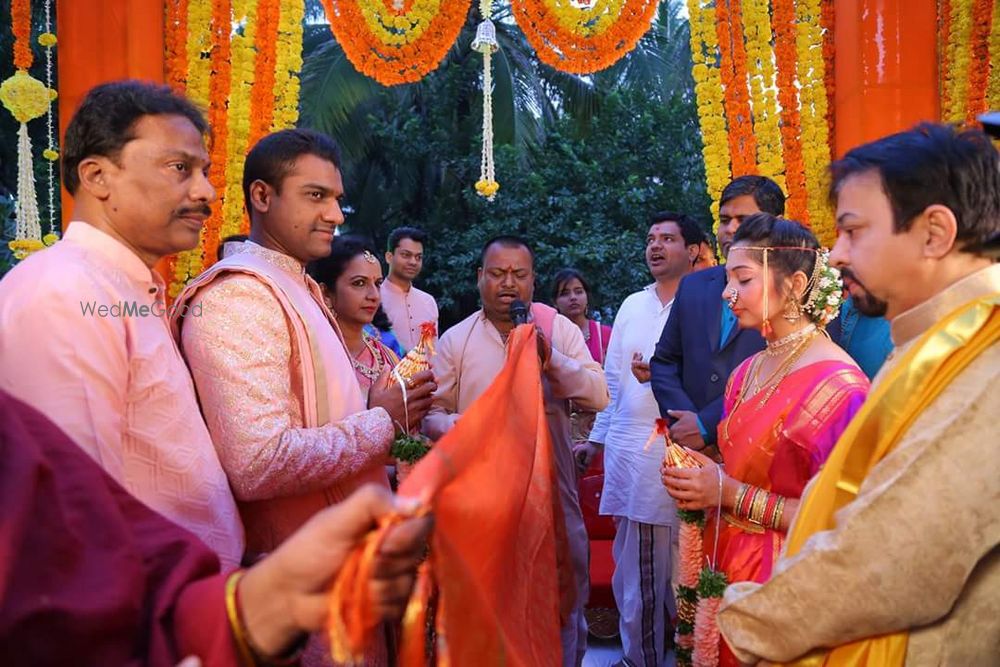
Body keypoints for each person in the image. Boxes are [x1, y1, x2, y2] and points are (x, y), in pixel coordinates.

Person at [716, 123, 1000, 666]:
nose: (838, 256)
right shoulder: (932, 342)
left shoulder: (985, 355)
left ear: (934, 233)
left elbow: (889, 558)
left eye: (853, 231)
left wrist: (741, 623)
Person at [0, 389, 430, 666]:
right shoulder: (58, 295)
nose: (370, 293)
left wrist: (268, 602)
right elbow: (258, 461)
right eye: (359, 282)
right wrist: (379, 422)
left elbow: (115, 592)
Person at [0, 80, 244, 568]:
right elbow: (74, 520)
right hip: (143, 624)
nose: (206, 192)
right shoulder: (67, 293)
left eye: (204, 172)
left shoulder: (124, 290)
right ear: (96, 176)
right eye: (180, 168)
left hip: (189, 609)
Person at [171, 130, 435, 554]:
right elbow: (258, 463)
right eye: (315, 196)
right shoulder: (240, 295)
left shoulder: (292, 284)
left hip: (338, 552)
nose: (335, 214)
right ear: (261, 195)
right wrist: (382, 419)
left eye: (335, 198)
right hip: (294, 570)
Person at [661, 213, 869, 667]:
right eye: (728, 278)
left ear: (794, 285)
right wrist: (704, 477)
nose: (726, 293)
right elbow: (734, 468)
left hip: (786, 582)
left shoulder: (841, 388)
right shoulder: (747, 372)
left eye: (743, 279)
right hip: (728, 568)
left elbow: (847, 522)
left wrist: (731, 494)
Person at [424, 236, 609, 667]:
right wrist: (468, 426)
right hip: (481, 499)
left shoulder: (557, 328)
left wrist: (552, 358)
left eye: (519, 275)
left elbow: (598, 394)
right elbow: (432, 413)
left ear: (532, 281)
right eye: (497, 273)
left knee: (561, 599)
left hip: (553, 492)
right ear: (480, 278)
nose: (508, 284)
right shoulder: (456, 340)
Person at [577, 212, 702, 667]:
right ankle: (643, 656)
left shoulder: (708, 303)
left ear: (692, 250)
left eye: (668, 239)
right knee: (634, 569)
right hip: (630, 453)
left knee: (676, 568)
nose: (655, 246)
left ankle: (673, 657)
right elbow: (611, 379)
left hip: (683, 454)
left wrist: (665, 376)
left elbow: (716, 383)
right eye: (651, 239)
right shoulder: (631, 304)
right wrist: (597, 440)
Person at [650, 175, 785, 457]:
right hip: (693, 456)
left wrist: (706, 425)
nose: (730, 229)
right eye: (725, 220)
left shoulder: (794, 290)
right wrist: (686, 422)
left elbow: (786, 372)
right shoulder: (694, 284)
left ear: (777, 223)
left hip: (762, 453)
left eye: (743, 219)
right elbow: (664, 362)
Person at [308, 235, 402, 399]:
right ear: (325, 293)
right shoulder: (310, 357)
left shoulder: (388, 357)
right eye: (359, 283)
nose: (374, 295)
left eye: (378, 284)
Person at [380, 226, 439, 352]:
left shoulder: (428, 301)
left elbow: (434, 350)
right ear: (389, 257)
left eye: (418, 257)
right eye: (406, 255)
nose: (413, 262)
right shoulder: (374, 299)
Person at [552, 268, 612, 365]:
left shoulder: (605, 334)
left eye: (578, 292)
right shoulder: (550, 336)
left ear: (587, 297)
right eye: (565, 294)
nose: (573, 297)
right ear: (555, 302)